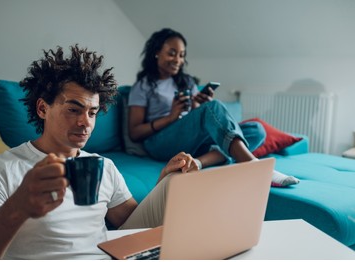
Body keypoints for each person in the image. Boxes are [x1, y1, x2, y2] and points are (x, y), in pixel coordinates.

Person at [0, 45, 199, 260]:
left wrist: (163, 184)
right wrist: (19, 206)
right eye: (73, 110)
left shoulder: (103, 166)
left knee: (175, 182)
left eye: (92, 113)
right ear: (43, 108)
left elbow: (130, 225)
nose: (84, 123)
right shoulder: (1, 169)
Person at [128, 28, 300, 187]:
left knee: (256, 130)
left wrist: (199, 105)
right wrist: (170, 117)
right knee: (214, 107)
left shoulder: (186, 81)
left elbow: (195, 116)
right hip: (159, 142)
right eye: (172, 54)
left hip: (190, 142)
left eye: (181, 55)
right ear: (156, 53)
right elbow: (134, 133)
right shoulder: (142, 86)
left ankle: (198, 162)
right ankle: (253, 166)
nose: (178, 60)